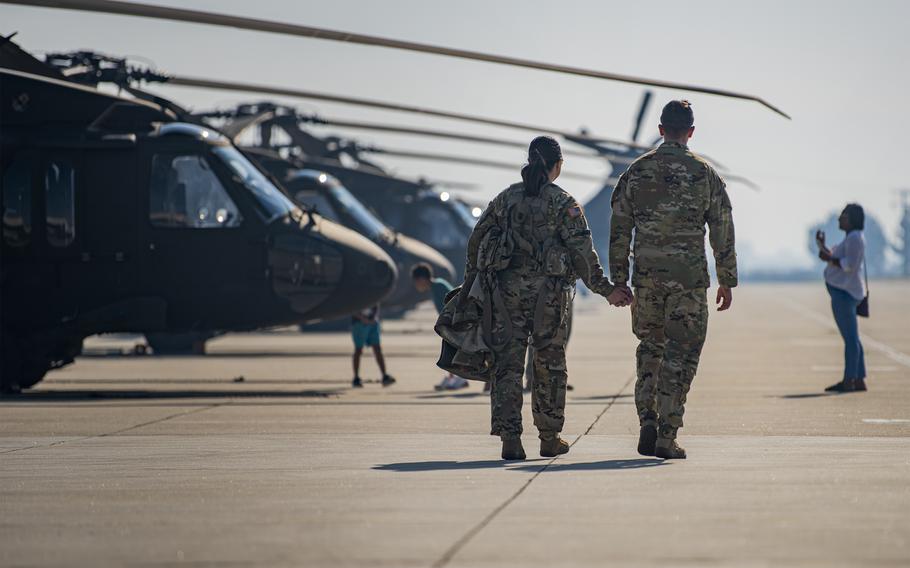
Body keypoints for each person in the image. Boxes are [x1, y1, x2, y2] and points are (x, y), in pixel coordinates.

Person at [466, 135, 632, 461]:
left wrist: (471, 289)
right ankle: (549, 437)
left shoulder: (505, 200)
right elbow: (583, 254)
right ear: (558, 166)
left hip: (504, 298)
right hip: (549, 300)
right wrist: (607, 290)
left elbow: (476, 242)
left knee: (507, 367)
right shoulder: (564, 203)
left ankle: (510, 439)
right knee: (549, 365)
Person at [610, 100, 737, 460]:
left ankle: (647, 421)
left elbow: (619, 229)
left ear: (661, 129)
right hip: (689, 283)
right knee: (681, 355)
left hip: (647, 283)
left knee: (650, 349)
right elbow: (722, 228)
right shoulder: (704, 174)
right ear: (691, 132)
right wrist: (727, 278)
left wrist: (618, 280)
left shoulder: (636, 172)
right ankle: (667, 434)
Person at [816, 204, 867, 392]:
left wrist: (828, 258)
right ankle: (858, 379)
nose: (839, 219)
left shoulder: (854, 238)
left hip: (845, 294)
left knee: (850, 339)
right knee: (852, 338)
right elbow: (834, 257)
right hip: (844, 293)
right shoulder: (851, 238)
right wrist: (822, 246)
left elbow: (849, 265)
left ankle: (849, 380)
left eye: (843, 216)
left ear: (852, 219)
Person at [411, 263, 470, 390]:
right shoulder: (435, 286)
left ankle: (461, 378)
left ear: (421, 279)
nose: (416, 285)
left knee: (453, 350)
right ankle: (452, 377)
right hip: (450, 324)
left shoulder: (438, 285)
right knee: (449, 351)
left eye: (416, 282)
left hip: (454, 323)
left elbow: (454, 301)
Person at [350, 305, 396, 388]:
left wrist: (374, 317)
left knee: (377, 349)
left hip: (372, 322)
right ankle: (356, 378)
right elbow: (351, 307)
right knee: (358, 350)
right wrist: (362, 318)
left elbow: (376, 302)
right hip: (359, 323)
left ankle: (384, 376)